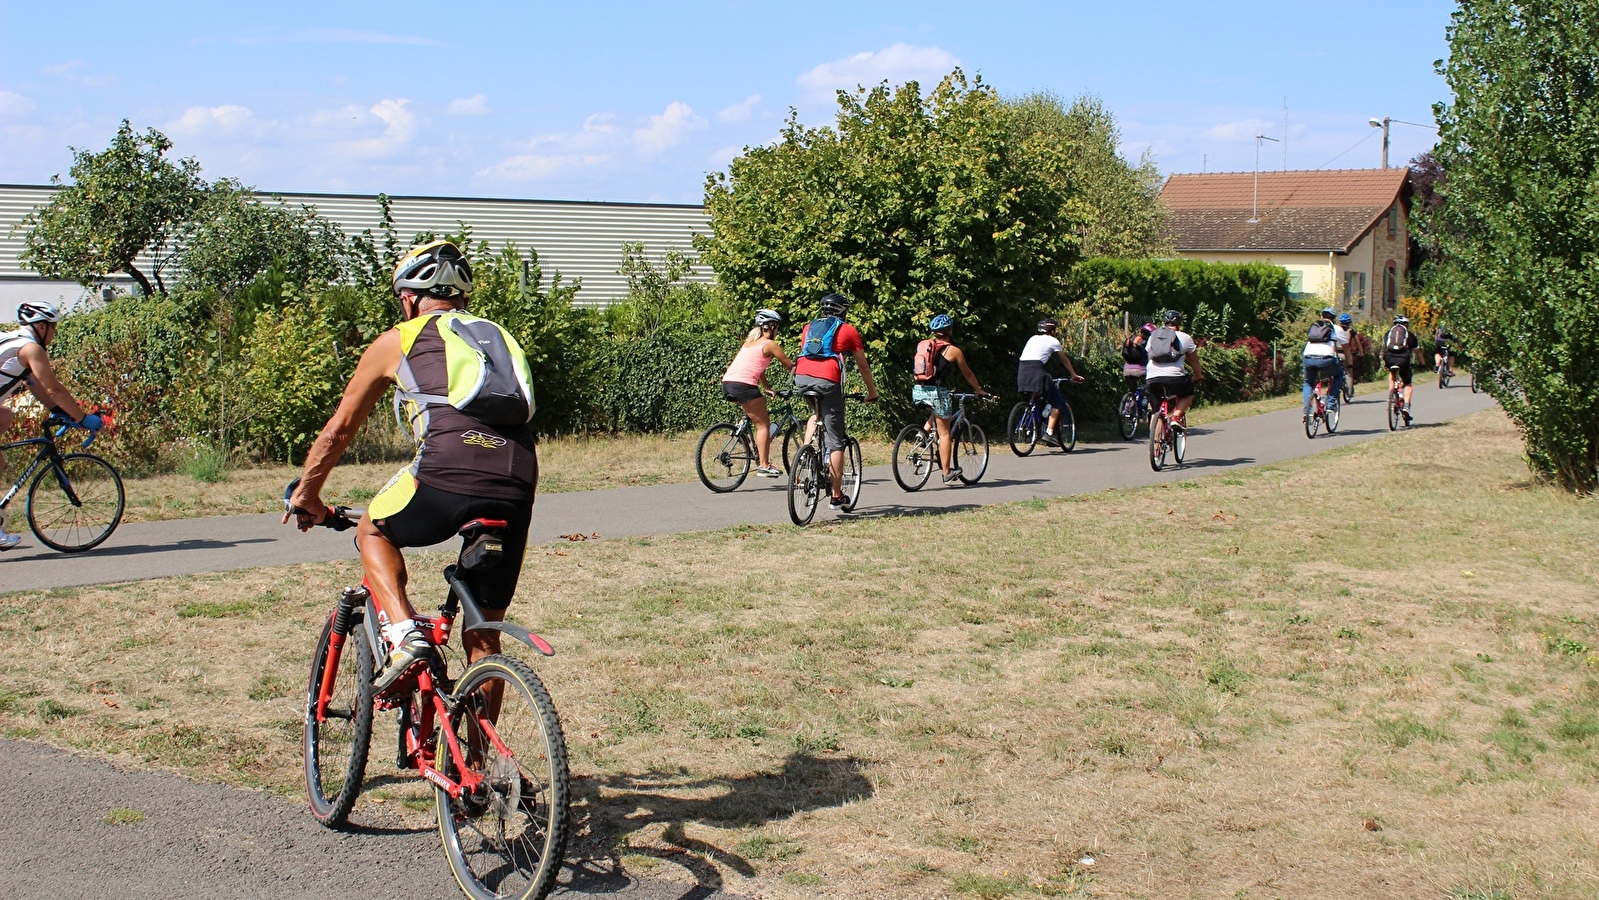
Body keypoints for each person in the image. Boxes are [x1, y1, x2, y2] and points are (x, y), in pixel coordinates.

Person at [285, 241, 538, 693]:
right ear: (463, 300)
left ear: (407, 299)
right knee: (483, 637)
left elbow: (340, 428)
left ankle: (405, 638)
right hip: (516, 478)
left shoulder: (399, 339)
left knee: (372, 531)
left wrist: (307, 494)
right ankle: (484, 764)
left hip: (446, 468)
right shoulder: (500, 337)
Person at [0, 302, 105, 550]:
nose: (55, 334)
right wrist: (82, 418)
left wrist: (60, 412)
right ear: (41, 326)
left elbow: (36, 386)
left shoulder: (9, 340)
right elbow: (53, 389)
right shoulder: (31, 349)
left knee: (4, 416)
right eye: (53, 328)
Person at [793, 292, 878, 509]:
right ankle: (836, 495)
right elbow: (863, 366)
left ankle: (805, 454)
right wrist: (871, 392)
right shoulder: (848, 331)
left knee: (816, 413)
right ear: (844, 311)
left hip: (801, 378)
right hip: (827, 381)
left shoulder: (808, 327)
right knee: (835, 441)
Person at [911, 314, 988, 485]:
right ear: (950, 331)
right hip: (937, 392)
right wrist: (978, 390)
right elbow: (967, 373)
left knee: (936, 415)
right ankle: (947, 472)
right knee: (945, 433)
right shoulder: (953, 350)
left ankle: (921, 435)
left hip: (918, 390)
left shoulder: (924, 345)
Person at [720, 309, 795, 477]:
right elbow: (790, 367)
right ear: (772, 327)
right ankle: (764, 464)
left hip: (728, 383)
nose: (778, 331)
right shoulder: (770, 345)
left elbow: (758, 368)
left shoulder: (749, 343)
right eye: (777, 327)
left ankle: (741, 428)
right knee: (763, 425)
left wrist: (767, 387)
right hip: (744, 386)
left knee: (757, 404)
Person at [1016, 319, 1085, 445]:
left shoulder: (1032, 338)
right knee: (1057, 401)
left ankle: (1033, 415)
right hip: (1037, 370)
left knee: (1036, 397)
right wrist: (1073, 374)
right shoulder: (1054, 341)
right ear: (1052, 330)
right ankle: (1048, 433)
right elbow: (1064, 360)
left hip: (1022, 371)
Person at [1144, 309, 1203, 427]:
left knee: (1157, 410)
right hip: (1176, 377)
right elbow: (1194, 361)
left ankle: (1155, 443)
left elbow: (1149, 355)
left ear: (1164, 322)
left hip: (1152, 376)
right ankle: (1176, 417)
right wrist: (1198, 376)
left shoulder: (1153, 336)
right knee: (1188, 394)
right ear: (1179, 323)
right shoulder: (1185, 338)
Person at [1302, 307, 1347, 420]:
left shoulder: (1314, 326)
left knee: (1308, 382)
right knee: (1338, 375)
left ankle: (1307, 410)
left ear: (1321, 316)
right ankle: (1331, 403)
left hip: (1308, 357)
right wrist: (1349, 361)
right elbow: (1346, 347)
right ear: (1334, 319)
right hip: (1326, 359)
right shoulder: (1337, 328)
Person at [1382, 314, 1421, 422]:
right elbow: (1417, 351)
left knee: (1392, 373)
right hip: (1403, 359)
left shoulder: (1388, 334)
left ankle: (1391, 394)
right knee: (1407, 383)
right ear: (1405, 325)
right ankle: (1406, 406)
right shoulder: (1410, 335)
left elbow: (1385, 347)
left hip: (1389, 358)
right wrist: (1422, 363)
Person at [1121, 323, 1155, 392]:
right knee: (1149, 388)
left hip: (1126, 370)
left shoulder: (1130, 339)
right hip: (1141, 371)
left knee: (1133, 390)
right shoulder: (1147, 343)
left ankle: (1129, 400)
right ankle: (1145, 400)